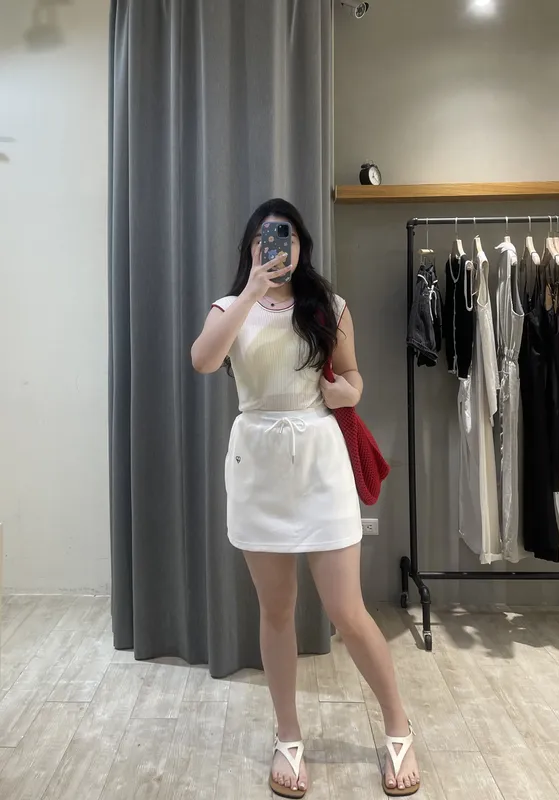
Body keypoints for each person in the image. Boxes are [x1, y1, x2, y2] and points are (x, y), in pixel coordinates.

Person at [191, 198, 420, 798]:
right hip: (258, 465)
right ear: (250, 248)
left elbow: (354, 378)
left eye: (287, 238)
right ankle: (288, 736)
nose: (278, 248)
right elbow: (203, 360)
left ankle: (398, 726)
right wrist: (249, 292)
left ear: (302, 246)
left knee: (347, 609)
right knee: (276, 610)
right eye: (266, 239)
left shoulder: (329, 307)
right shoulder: (228, 309)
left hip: (320, 462)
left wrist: (346, 394)